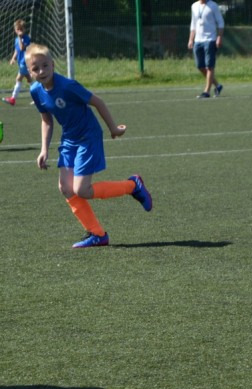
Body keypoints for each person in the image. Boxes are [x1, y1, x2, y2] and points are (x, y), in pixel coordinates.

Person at [26, 43, 152, 248]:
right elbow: (46, 120)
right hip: (69, 139)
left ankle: (132, 186)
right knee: (66, 188)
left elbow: (98, 102)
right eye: (35, 68)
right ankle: (97, 234)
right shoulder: (35, 91)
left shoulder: (68, 86)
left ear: (53, 65)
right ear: (30, 72)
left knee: (81, 189)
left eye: (45, 66)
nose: (41, 71)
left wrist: (113, 128)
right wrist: (44, 150)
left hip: (88, 136)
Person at [188, 0, 224, 99]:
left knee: (209, 66)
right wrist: (191, 39)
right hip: (198, 40)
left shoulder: (213, 5)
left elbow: (220, 22)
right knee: (200, 66)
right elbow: (193, 23)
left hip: (210, 40)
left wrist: (219, 37)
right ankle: (217, 85)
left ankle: (206, 92)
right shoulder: (194, 6)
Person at [2, 19, 32, 106]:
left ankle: (13, 98)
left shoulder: (26, 38)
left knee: (18, 79)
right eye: (18, 29)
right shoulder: (16, 39)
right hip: (21, 62)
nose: (19, 31)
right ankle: (39, 97)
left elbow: (22, 48)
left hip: (25, 62)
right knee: (30, 80)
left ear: (24, 29)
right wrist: (13, 58)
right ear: (15, 30)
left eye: (21, 29)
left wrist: (20, 38)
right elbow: (17, 50)